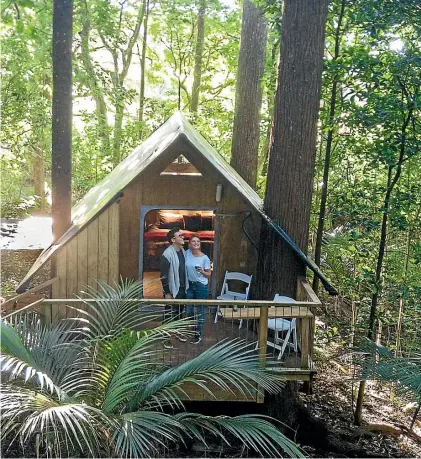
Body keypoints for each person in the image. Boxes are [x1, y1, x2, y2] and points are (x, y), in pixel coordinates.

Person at [160, 227, 189, 344]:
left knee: (179, 312)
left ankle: (178, 332)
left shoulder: (182, 250)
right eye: (180, 236)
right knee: (169, 314)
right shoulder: (166, 254)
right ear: (173, 239)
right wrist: (167, 292)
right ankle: (165, 338)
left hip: (181, 287)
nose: (183, 237)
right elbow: (163, 276)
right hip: (171, 290)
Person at [185, 235, 211, 344]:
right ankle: (194, 327)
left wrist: (202, 271)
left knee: (200, 310)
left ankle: (198, 333)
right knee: (189, 310)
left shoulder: (204, 258)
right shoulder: (187, 253)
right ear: (189, 244)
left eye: (198, 241)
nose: (196, 243)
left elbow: (209, 274)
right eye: (193, 241)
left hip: (201, 286)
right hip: (190, 285)